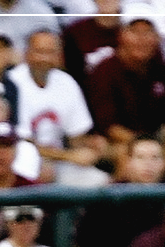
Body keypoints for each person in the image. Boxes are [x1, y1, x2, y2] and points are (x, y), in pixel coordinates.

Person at [84, 6, 165, 175]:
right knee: (129, 157)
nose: (141, 39)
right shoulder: (104, 71)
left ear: (157, 38)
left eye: (148, 32)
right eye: (134, 32)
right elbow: (109, 127)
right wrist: (150, 147)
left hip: (157, 141)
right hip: (117, 142)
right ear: (121, 35)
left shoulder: (162, 70)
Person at [6, 29, 107, 188]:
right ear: (27, 54)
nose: (45, 58)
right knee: (41, 171)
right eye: (39, 52)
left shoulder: (67, 82)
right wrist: (69, 156)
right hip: (20, 161)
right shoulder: (12, 82)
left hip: (60, 161)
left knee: (100, 181)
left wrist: (91, 149)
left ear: (59, 56)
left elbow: (76, 137)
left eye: (50, 52)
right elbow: (23, 143)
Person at [73, 136, 165, 247]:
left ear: (164, 163)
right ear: (129, 162)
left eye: (155, 158)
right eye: (140, 157)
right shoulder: (106, 198)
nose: (148, 164)